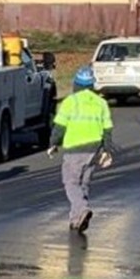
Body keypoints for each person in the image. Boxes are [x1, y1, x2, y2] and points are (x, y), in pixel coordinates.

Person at [47, 66, 113, 233]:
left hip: (75, 148)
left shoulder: (71, 101)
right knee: (83, 183)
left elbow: (59, 127)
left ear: (76, 83)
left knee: (71, 182)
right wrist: (107, 150)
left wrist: (53, 143)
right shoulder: (101, 103)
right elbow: (107, 129)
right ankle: (76, 219)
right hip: (94, 148)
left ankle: (82, 209)